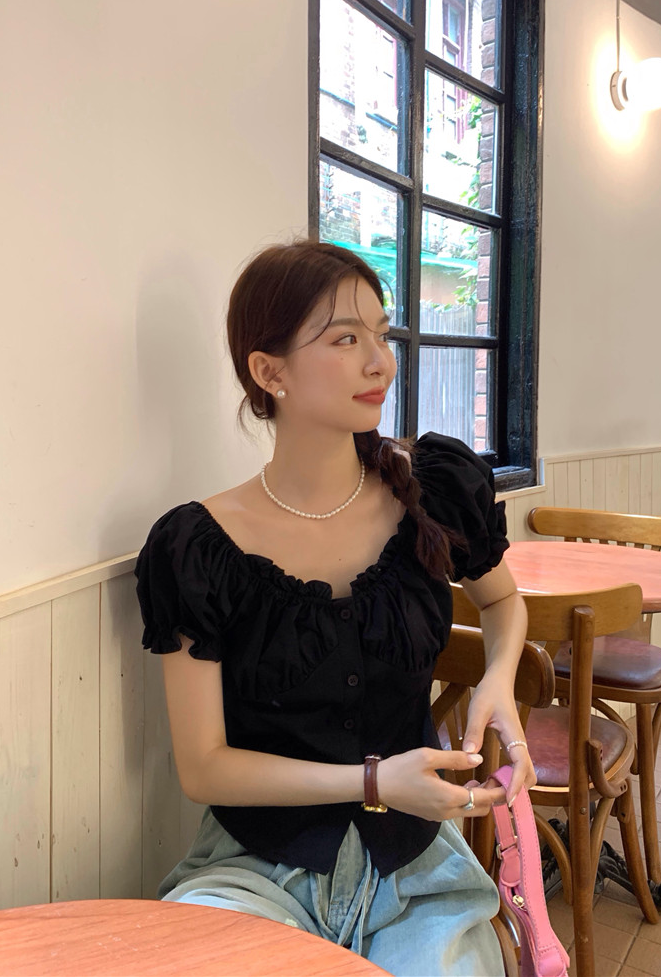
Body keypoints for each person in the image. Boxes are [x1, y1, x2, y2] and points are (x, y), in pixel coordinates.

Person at [135, 240, 535, 977]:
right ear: (270, 372)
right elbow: (204, 767)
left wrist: (499, 678)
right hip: (255, 871)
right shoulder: (198, 546)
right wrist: (373, 782)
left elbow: (503, 601)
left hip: (418, 875)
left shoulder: (433, 492)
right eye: (346, 340)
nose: (380, 362)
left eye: (381, 334)